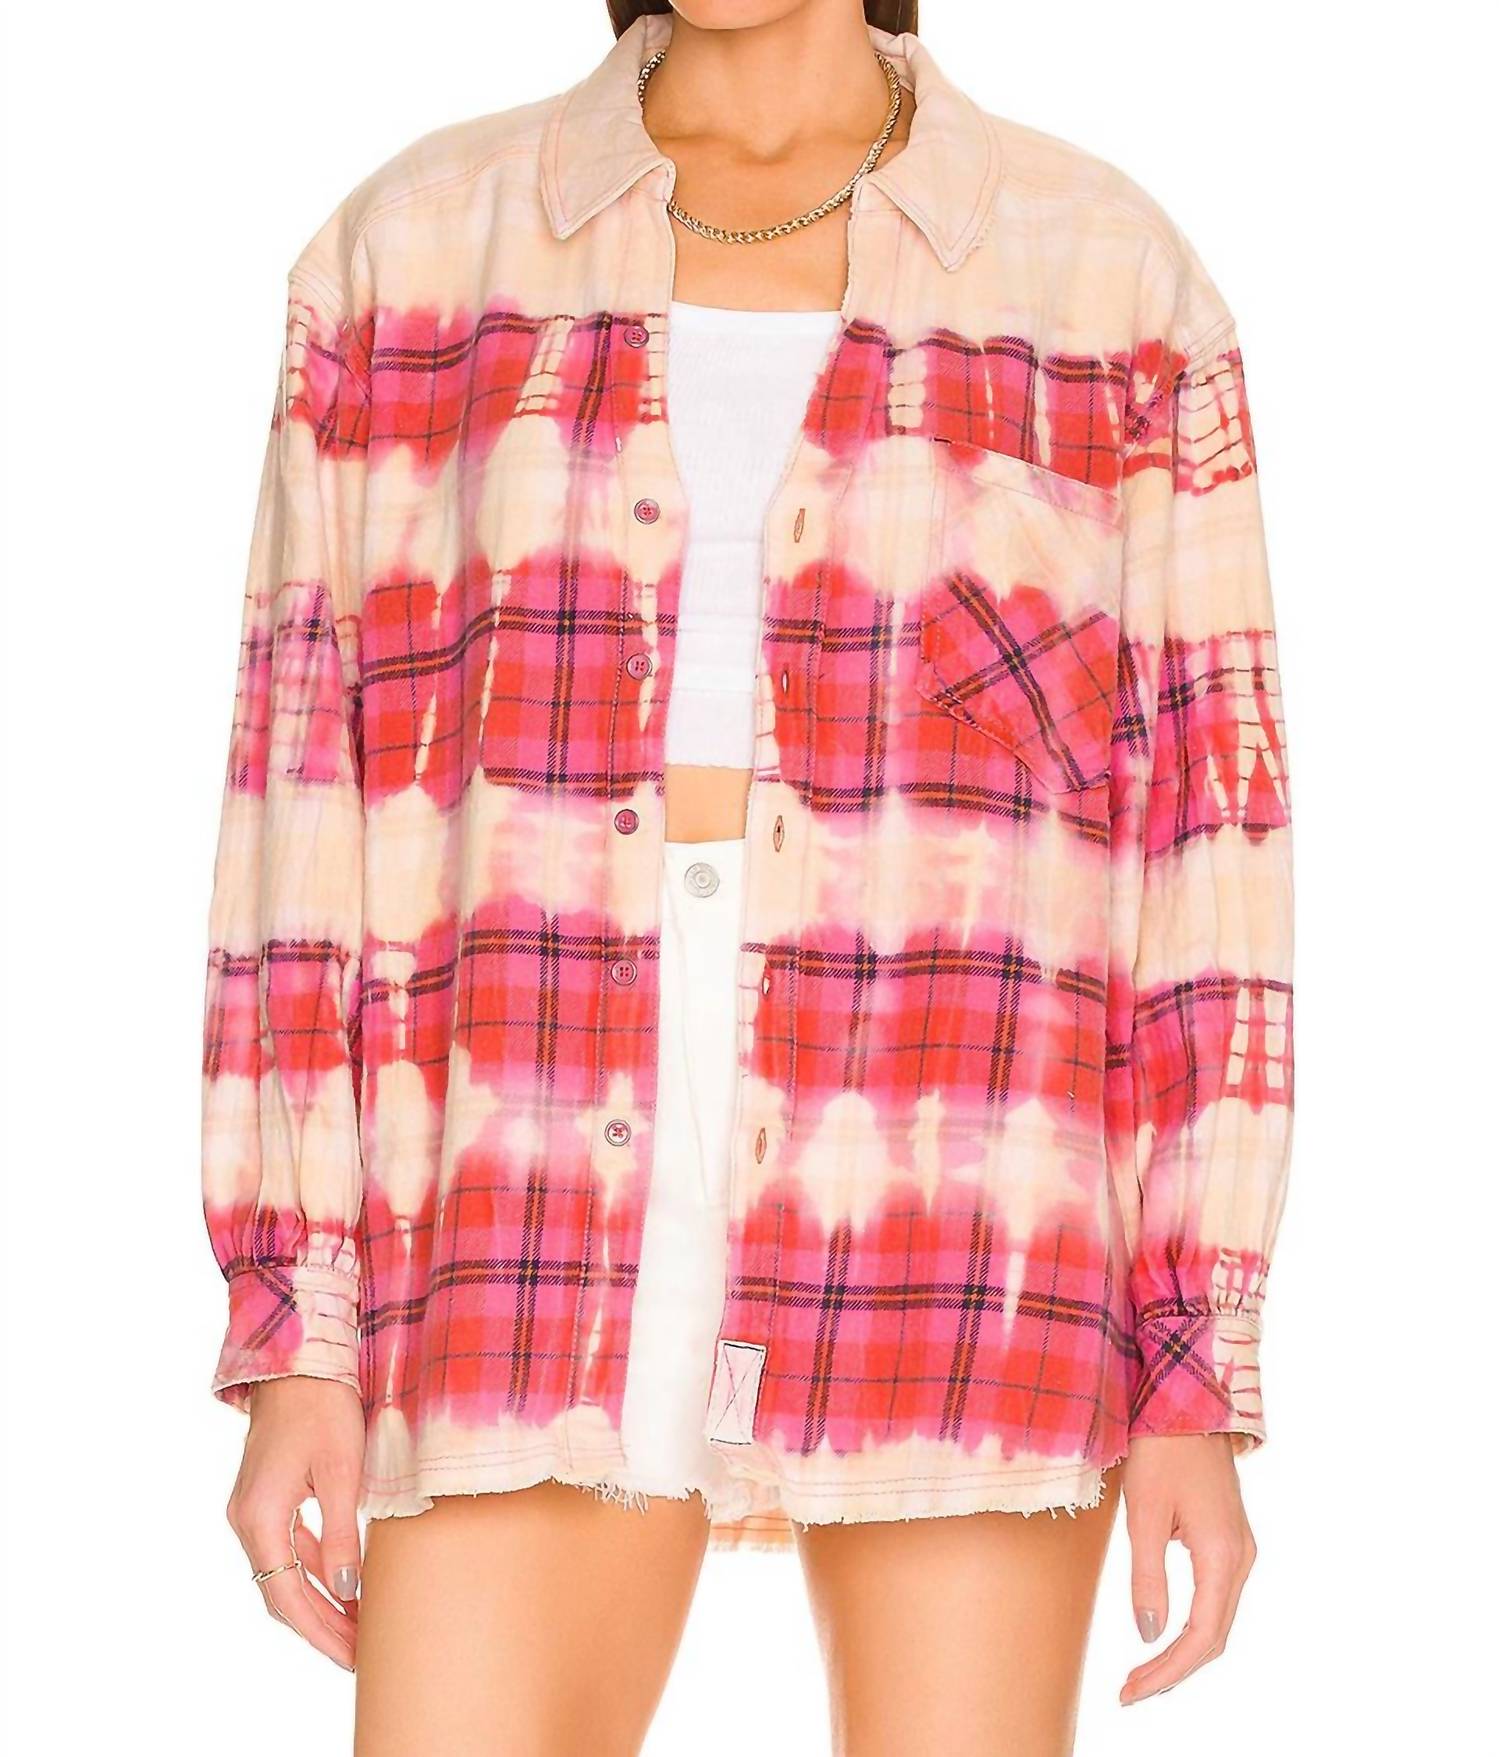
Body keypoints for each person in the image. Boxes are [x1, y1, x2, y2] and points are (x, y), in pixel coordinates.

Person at [200, 2, 1294, 1751]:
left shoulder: (1109, 280)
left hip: (957, 1179)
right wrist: (299, 1326)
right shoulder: (414, 254)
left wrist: (1190, 1364)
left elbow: (1206, 856)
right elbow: (297, 819)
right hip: (512, 1170)